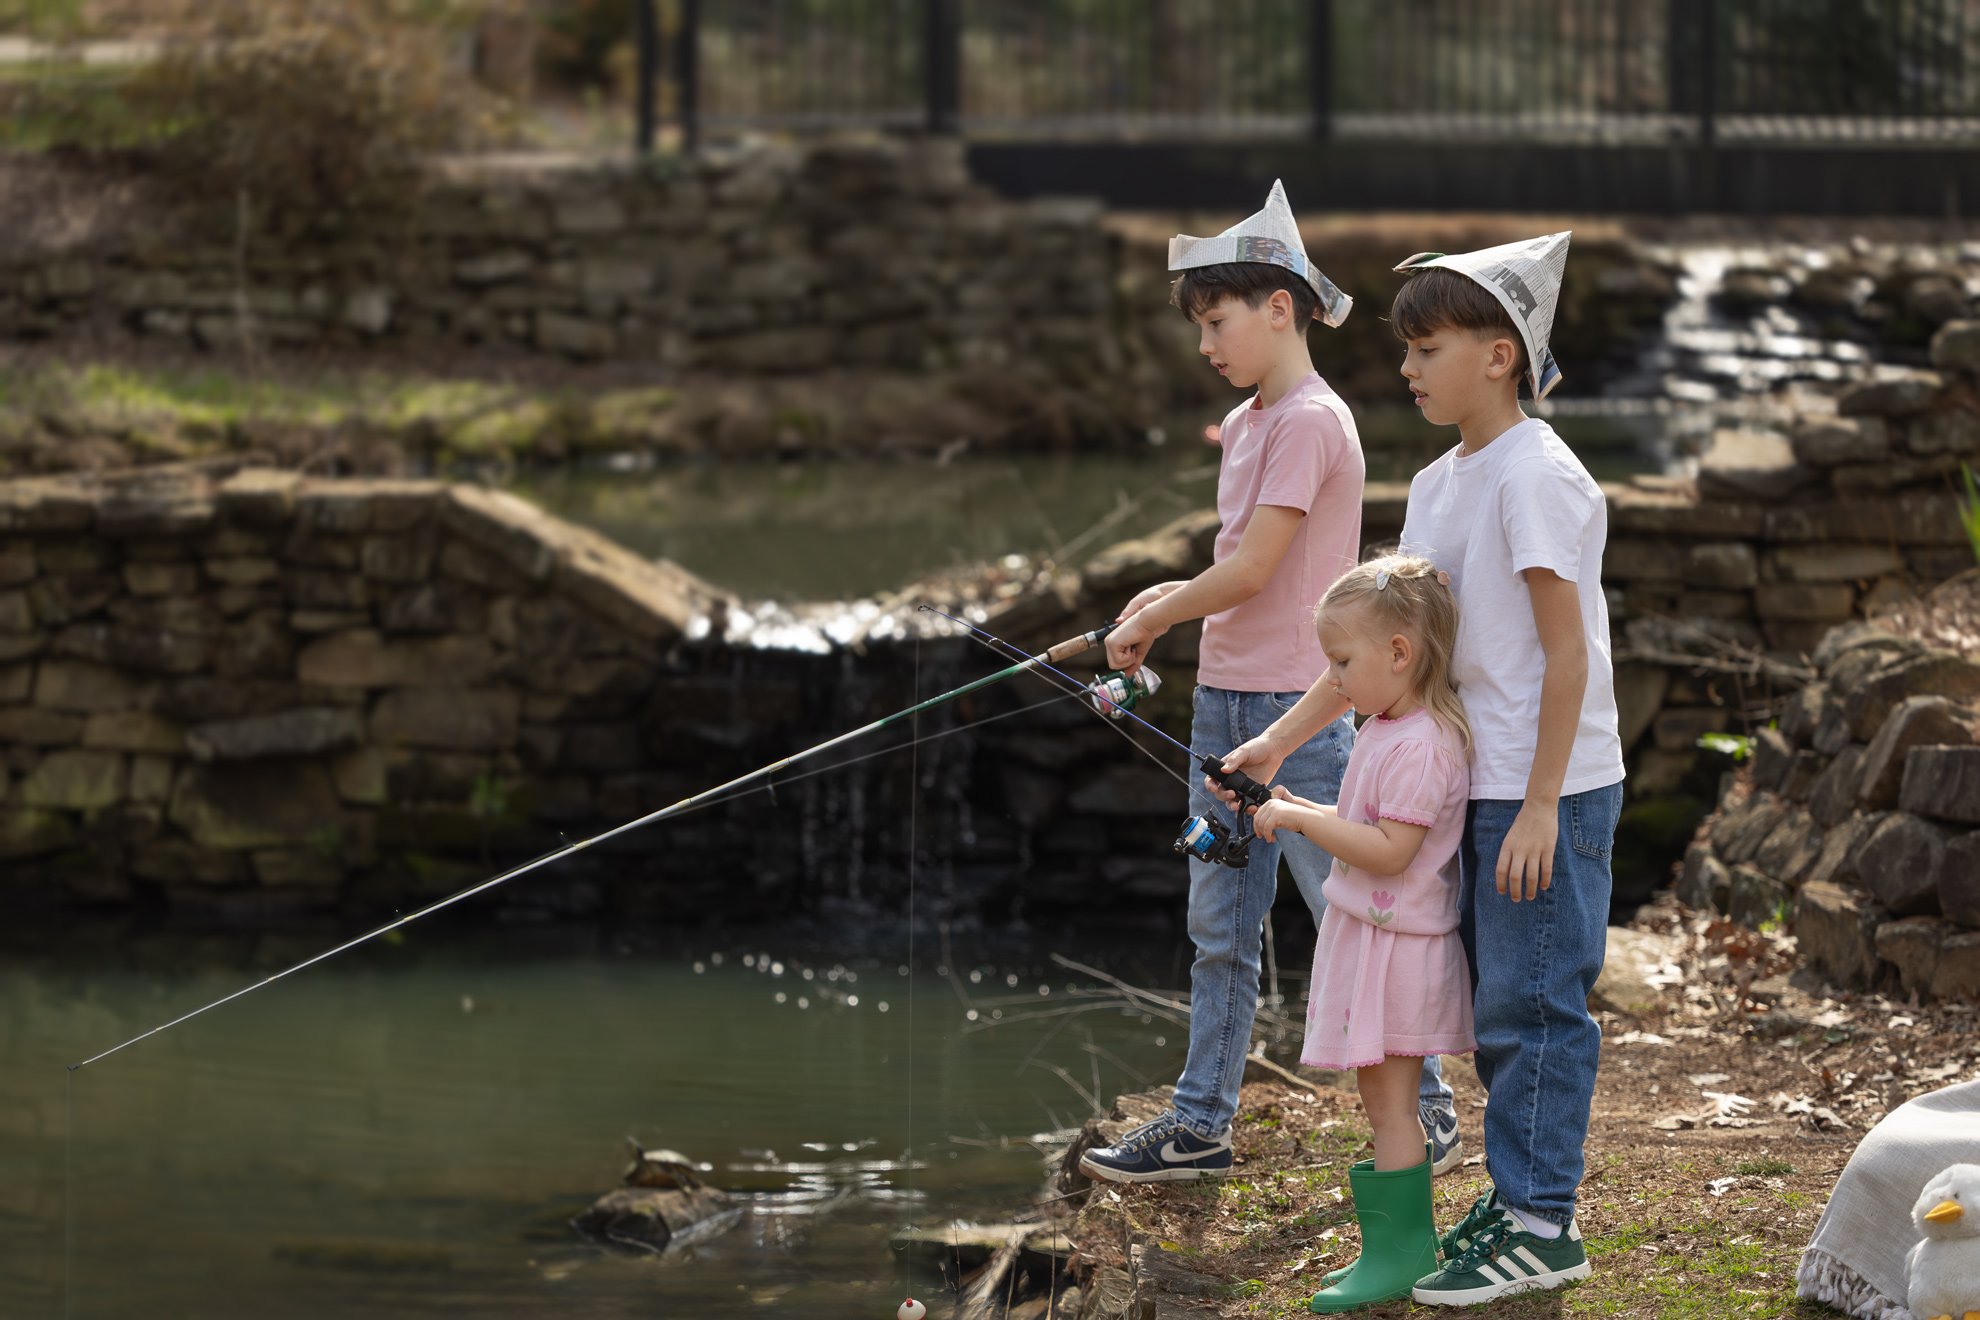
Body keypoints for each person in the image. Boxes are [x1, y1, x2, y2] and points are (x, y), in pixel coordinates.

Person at [1218, 231, 1625, 1304]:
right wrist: (1279, 741)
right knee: (1499, 1006)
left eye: (1427, 346)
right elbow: (1384, 641)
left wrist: (1542, 803)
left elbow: (1568, 648)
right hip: (1480, 785)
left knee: (1537, 1007)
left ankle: (1545, 1226)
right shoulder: (1445, 479)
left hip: (1549, 786)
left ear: (1500, 355)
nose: (1406, 368)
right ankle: (1520, 1196)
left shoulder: (1538, 474)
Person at [1077, 180, 1462, 1185]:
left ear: (1278, 307)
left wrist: (1160, 613)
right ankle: (1202, 1122)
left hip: (1304, 712)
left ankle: (1428, 1107)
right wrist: (1161, 599)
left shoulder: (1310, 421)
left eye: (1217, 321)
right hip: (1223, 703)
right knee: (1219, 932)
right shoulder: (1248, 423)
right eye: (1201, 325)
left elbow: (1251, 576)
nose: (1207, 344)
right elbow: (1239, 561)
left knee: (1350, 911)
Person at [1243, 554, 1474, 1312]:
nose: (1334, 680)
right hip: (1376, 940)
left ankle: (1402, 1256)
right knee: (1382, 1104)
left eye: (1342, 662)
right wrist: (1306, 809)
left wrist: (1305, 817)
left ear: (1399, 653)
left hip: (1398, 952)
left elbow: (1390, 851)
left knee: (1392, 1108)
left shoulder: (1421, 746)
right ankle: (1391, 1249)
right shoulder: (1389, 726)